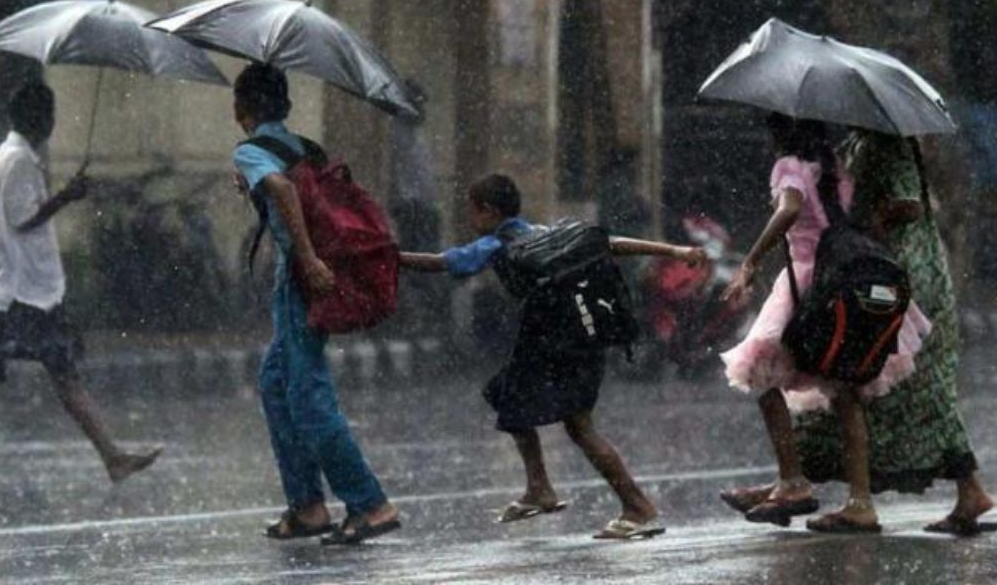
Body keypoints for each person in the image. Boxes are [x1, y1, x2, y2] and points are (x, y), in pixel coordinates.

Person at [399, 173, 705, 539]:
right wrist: (673, 251)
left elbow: (442, 262)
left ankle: (636, 506)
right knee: (509, 398)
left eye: (473, 210)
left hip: (552, 341)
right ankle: (539, 488)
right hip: (582, 337)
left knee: (575, 426)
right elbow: (609, 243)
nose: (470, 218)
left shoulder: (496, 244)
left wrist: (390, 257)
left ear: (489, 211)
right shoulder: (545, 232)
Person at [0, 82, 161, 490]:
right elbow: (23, 218)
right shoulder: (17, 160)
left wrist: (61, 195)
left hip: (25, 291)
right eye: (50, 114)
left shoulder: (12, 157)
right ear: (41, 118)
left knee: (60, 373)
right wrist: (67, 196)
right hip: (17, 293)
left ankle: (112, 457)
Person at [719, 114, 928, 533]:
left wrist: (751, 261)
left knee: (761, 377)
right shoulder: (834, 166)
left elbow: (791, 208)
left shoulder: (788, 166)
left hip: (808, 281)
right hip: (843, 276)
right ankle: (860, 501)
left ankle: (793, 480)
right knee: (845, 389)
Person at [779, 131, 993, 536]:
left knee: (889, 383)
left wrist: (871, 222)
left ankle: (840, 494)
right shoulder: (861, 143)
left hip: (902, 272)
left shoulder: (889, 145)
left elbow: (909, 203)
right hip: (881, 267)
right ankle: (968, 490)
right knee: (906, 388)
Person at [231, 62, 400, 545]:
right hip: (308, 272)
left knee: (307, 395)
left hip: (299, 277)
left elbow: (283, 191)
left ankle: (370, 504)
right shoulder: (304, 147)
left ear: (241, 108)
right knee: (275, 383)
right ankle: (306, 505)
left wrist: (306, 258)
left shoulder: (250, 149)